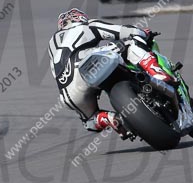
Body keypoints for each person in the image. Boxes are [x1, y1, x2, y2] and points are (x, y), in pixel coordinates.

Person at [47, 8, 177, 137]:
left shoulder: (52, 44)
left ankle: (108, 119)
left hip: (69, 94)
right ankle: (156, 72)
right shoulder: (88, 25)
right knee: (132, 41)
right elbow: (125, 31)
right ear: (80, 18)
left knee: (90, 120)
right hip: (89, 63)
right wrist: (143, 33)